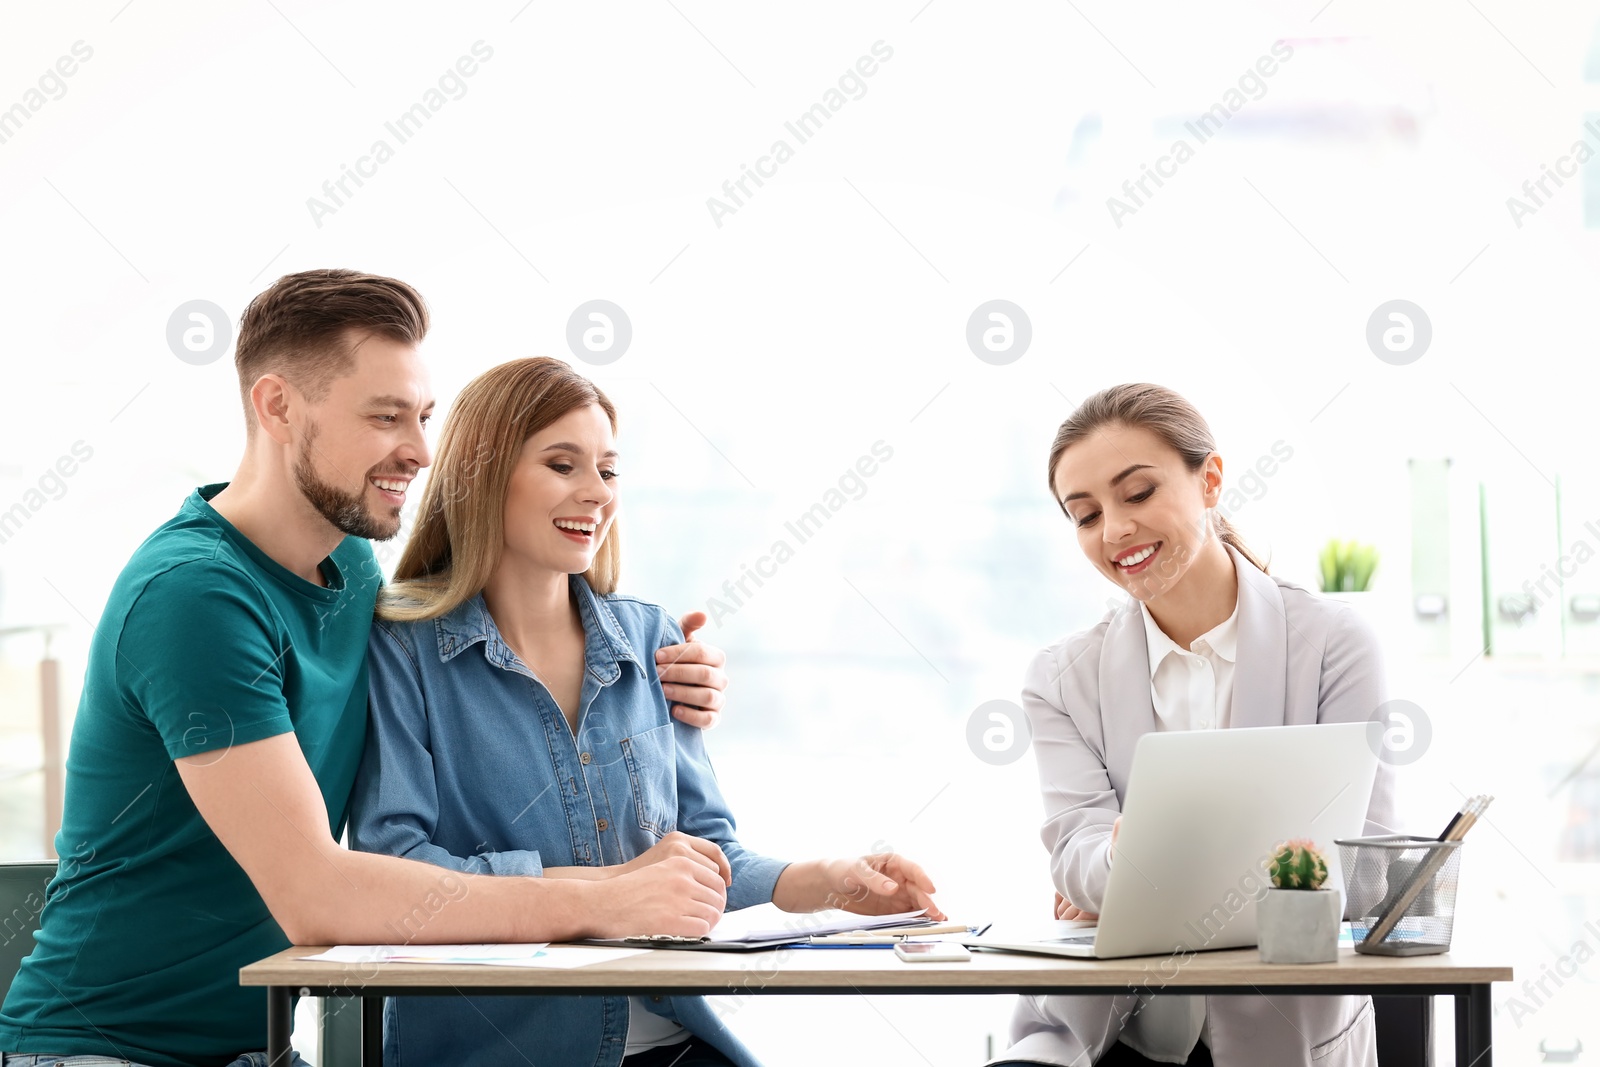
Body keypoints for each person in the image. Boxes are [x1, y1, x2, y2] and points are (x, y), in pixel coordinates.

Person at [0, 271, 733, 1067]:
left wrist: (665, 670)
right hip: (102, 1049)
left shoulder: (350, 570)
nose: (420, 450)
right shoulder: (194, 596)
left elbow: (471, 665)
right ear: (277, 406)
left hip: (255, 1049)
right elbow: (318, 897)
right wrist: (607, 897)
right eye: (387, 417)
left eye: (422, 416)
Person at [348, 356, 944, 1067]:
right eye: (563, 464)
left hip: (677, 1046)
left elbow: (705, 852)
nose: (596, 493)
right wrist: (614, 891)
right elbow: (398, 867)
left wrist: (828, 880)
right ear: (483, 474)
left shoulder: (651, 639)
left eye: (607, 469)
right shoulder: (403, 648)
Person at [989, 384, 1396, 1067]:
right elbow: (1077, 857)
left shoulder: (1335, 641)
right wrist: (1119, 857)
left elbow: (1368, 870)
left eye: (1138, 493)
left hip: (1283, 1036)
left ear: (1209, 480)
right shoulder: (1060, 677)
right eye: (1084, 514)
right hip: (1108, 1030)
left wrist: (1137, 884)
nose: (1114, 530)